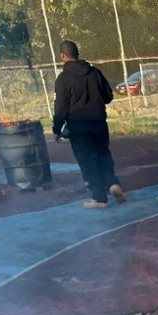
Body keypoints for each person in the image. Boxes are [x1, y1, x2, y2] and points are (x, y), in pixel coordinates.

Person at [52, 39, 126, 208]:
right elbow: (108, 96)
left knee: (88, 160)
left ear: (62, 55)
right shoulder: (95, 73)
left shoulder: (63, 79)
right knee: (103, 154)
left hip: (78, 127)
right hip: (99, 122)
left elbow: (61, 107)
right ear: (77, 53)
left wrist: (57, 128)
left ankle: (99, 198)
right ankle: (113, 183)